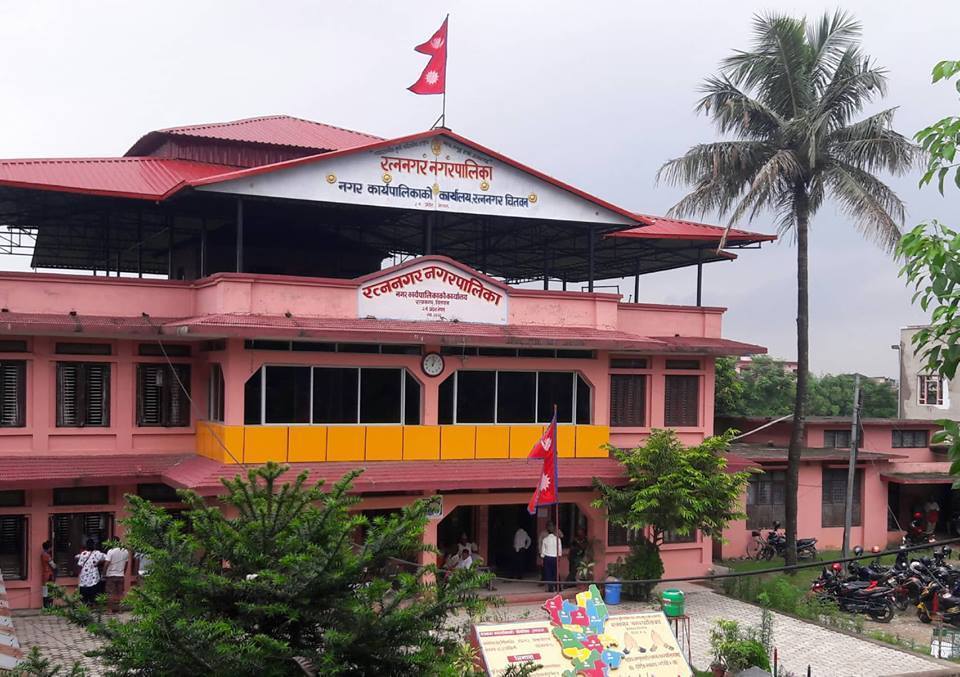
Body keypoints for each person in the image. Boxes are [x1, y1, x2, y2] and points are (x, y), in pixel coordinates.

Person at [75, 539, 105, 606]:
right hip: (94, 577)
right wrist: (98, 563)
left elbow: (79, 564)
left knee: (84, 593)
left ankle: (85, 605)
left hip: (84, 576)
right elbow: (106, 558)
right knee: (93, 592)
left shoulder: (83, 554)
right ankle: (92, 604)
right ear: (94, 545)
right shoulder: (97, 553)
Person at [103, 543, 130, 612]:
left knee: (110, 593)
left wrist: (104, 573)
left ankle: (110, 610)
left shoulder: (110, 551)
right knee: (120, 593)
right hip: (121, 575)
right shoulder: (125, 551)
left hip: (111, 575)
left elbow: (106, 564)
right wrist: (123, 572)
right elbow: (126, 564)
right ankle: (120, 609)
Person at [539, 523, 562, 593]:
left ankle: (550, 588)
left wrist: (542, 558)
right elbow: (559, 549)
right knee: (556, 572)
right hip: (555, 557)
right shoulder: (558, 539)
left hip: (547, 558)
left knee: (548, 573)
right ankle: (558, 587)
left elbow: (543, 551)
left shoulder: (545, 539)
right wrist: (559, 557)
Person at [40, 541, 56, 608]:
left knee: (45, 591)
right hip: (49, 574)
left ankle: (45, 606)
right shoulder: (47, 555)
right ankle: (49, 605)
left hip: (44, 574)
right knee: (50, 590)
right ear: (49, 548)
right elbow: (53, 565)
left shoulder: (42, 554)